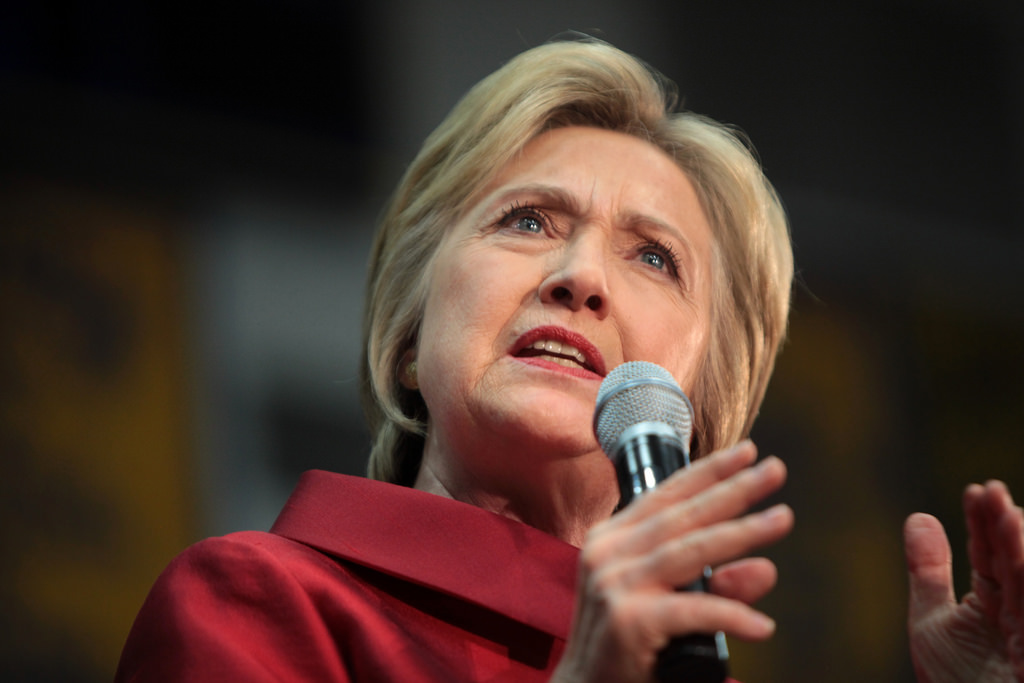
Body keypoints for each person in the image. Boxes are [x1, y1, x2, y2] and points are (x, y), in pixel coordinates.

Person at [115, 38, 1024, 682]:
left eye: (653, 257)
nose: (580, 275)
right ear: (404, 337)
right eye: (528, 220)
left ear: (698, 410)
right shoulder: (259, 602)